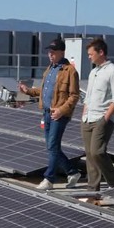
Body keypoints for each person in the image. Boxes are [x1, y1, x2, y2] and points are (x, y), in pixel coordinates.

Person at [19, 37, 81, 190]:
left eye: (53, 52)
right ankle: (72, 172)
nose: (50, 54)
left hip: (59, 114)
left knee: (52, 145)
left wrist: (62, 110)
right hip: (46, 113)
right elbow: (45, 92)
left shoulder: (70, 71)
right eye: (49, 52)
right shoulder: (50, 69)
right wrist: (29, 91)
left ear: (62, 52)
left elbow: (74, 95)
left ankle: (49, 179)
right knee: (51, 146)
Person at [80, 37, 114, 196]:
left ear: (101, 52)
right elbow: (88, 96)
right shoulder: (93, 72)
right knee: (90, 155)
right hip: (87, 118)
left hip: (102, 118)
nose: (89, 57)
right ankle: (92, 190)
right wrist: (84, 112)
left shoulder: (113, 71)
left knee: (97, 152)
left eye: (91, 54)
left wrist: (105, 118)